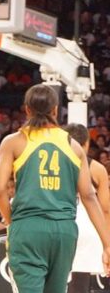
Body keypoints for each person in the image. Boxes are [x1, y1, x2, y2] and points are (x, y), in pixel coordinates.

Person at [0, 85, 110, 293]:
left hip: (29, 226)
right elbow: (89, 197)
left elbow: (0, 191)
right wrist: (107, 244)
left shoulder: (13, 141)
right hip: (64, 231)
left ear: (27, 110)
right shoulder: (73, 146)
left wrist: (12, 221)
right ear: (56, 110)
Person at [65, 123, 110, 293]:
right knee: (80, 283)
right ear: (87, 143)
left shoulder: (55, 166)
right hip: (88, 227)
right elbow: (105, 209)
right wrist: (107, 241)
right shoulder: (98, 169)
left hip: (60, 223)